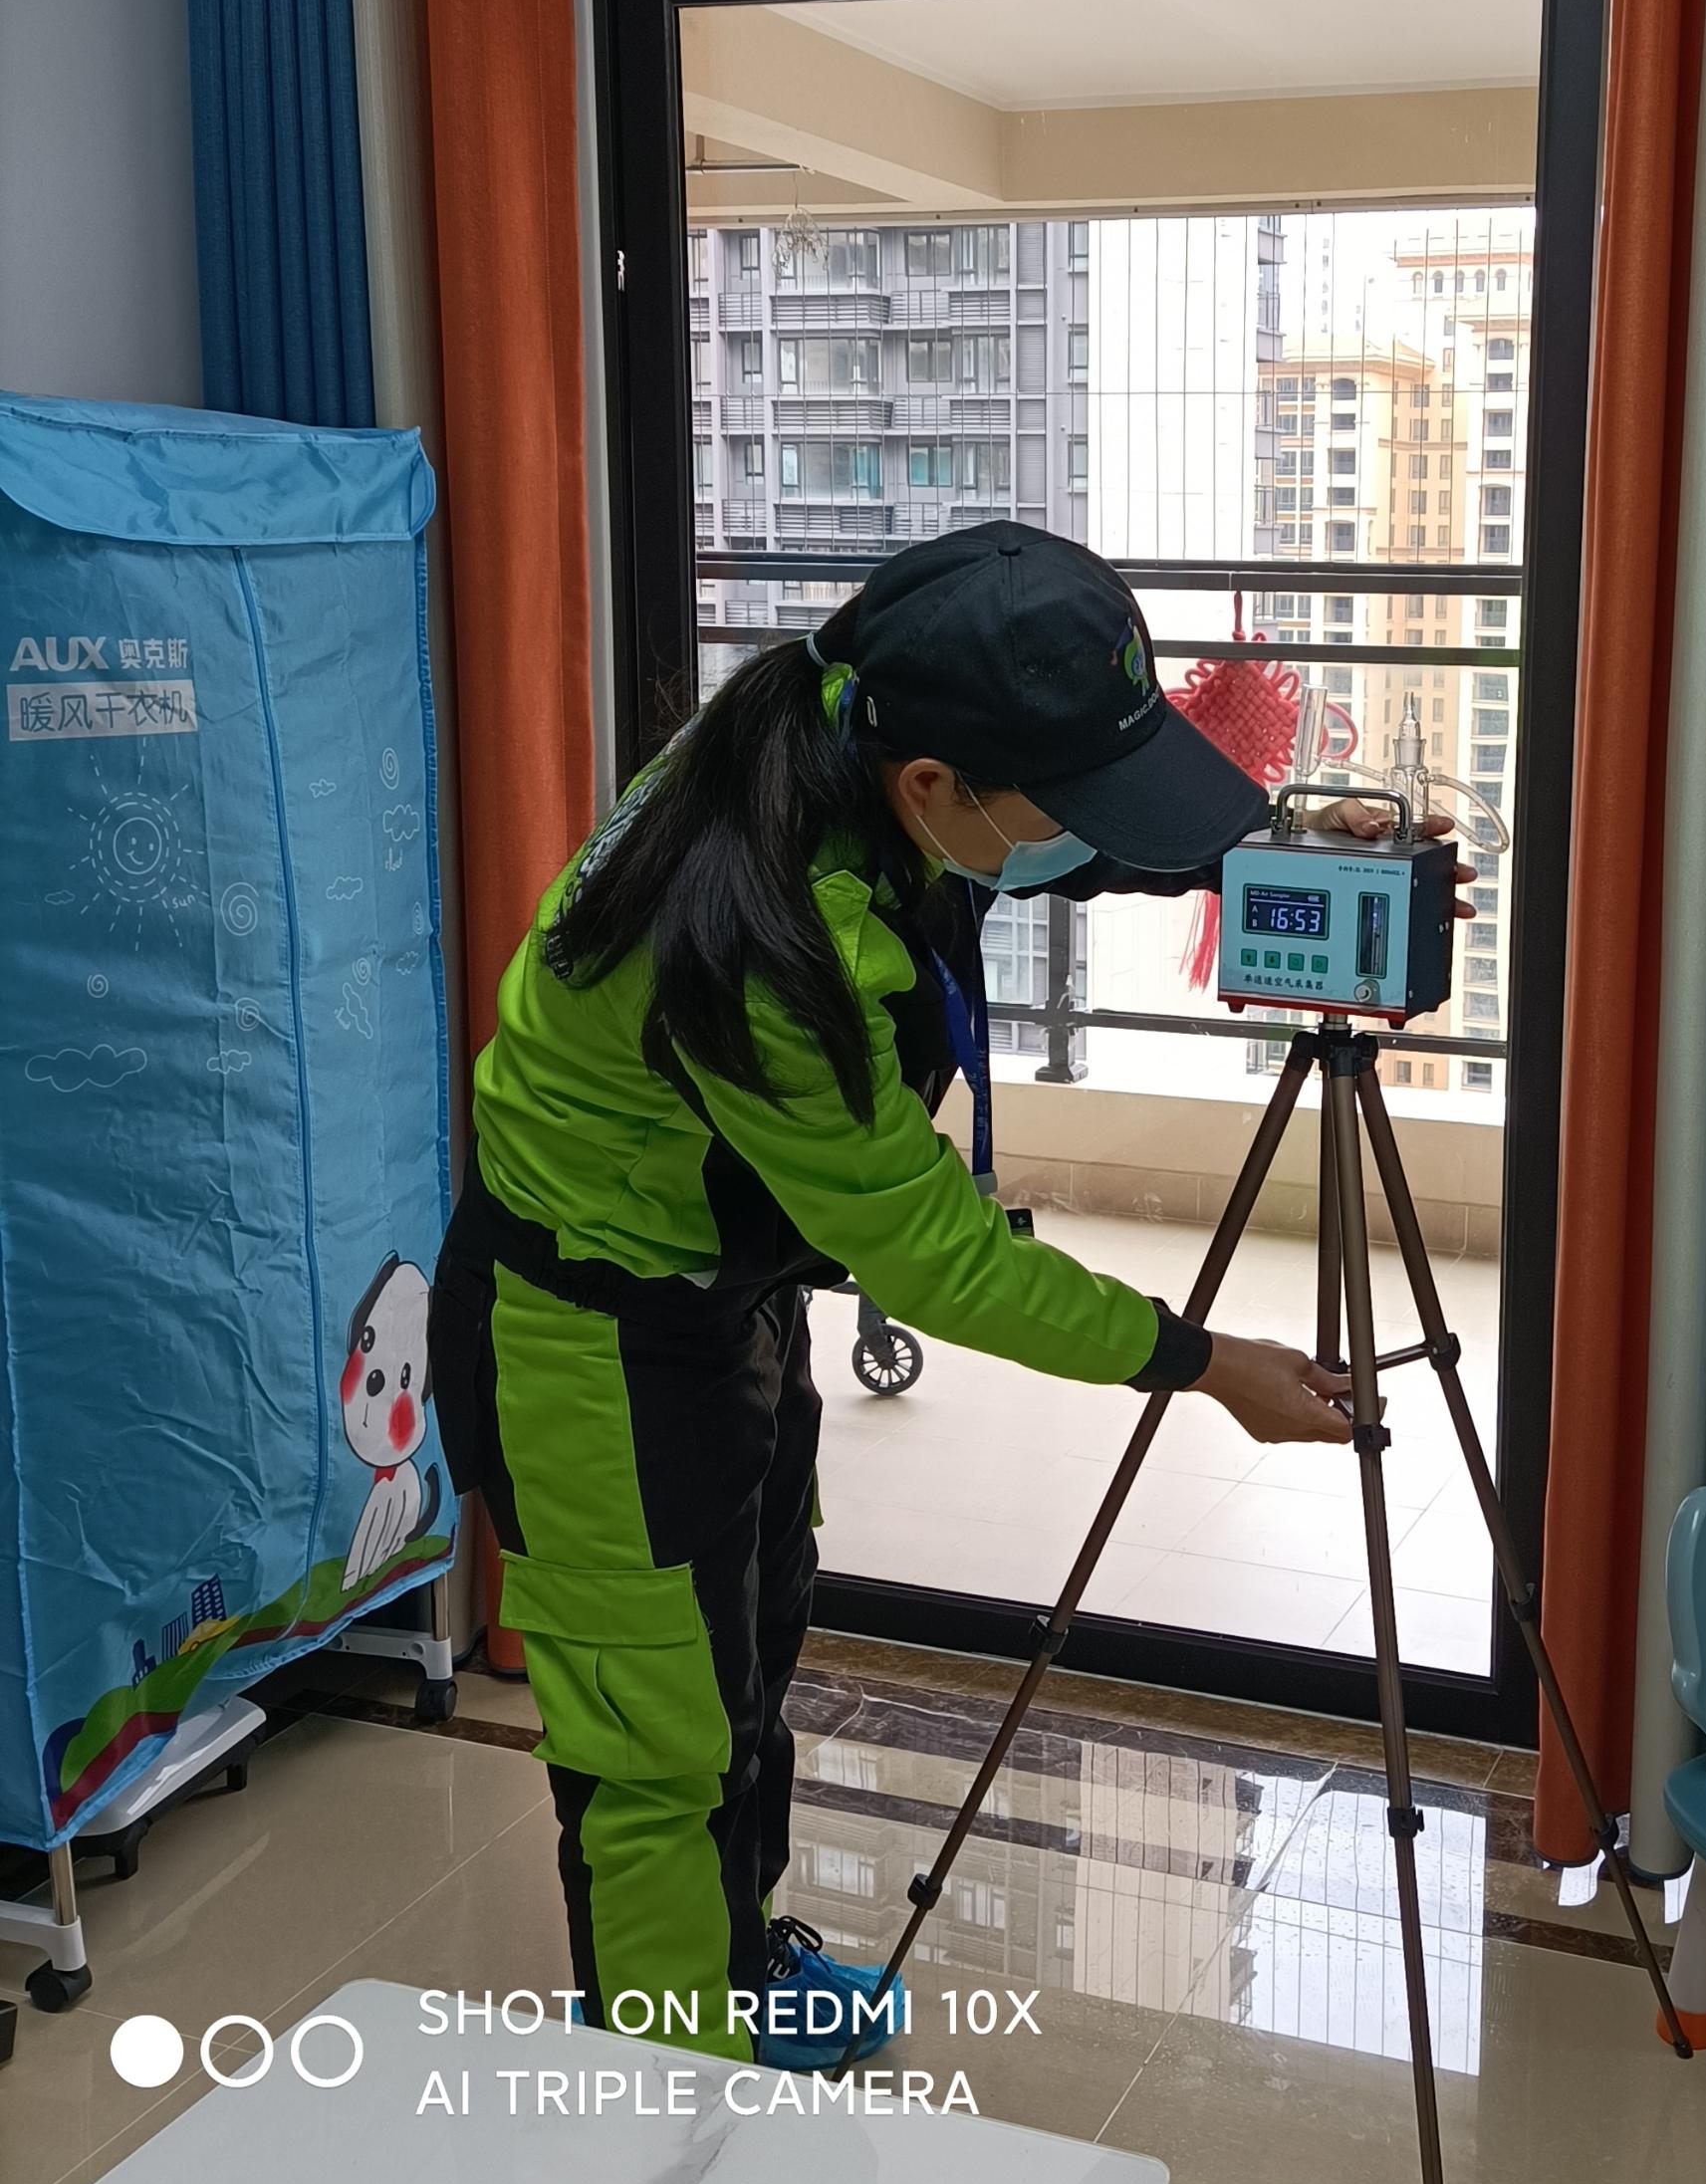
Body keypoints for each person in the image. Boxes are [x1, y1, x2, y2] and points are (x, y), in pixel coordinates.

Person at [428, 520, 1465, 2072]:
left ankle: (729, 1966)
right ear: (933, 787)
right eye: (1069, 796)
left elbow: (1060, 833)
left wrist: (1274, 841)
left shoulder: (827, 721)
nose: (1082, 832)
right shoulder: (772, 944)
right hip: (586, 1340)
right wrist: (1197, 1362)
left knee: (745, 1652)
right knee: (657, 1744)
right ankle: (672, 2095)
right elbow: (938, 1259)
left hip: (718, 1292)